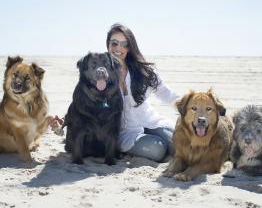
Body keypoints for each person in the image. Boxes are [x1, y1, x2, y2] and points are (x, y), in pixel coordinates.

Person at [50, 23, 179, 162]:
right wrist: (64, 121)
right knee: (158, 150)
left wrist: (190, 107)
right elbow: (83, 104)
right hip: (126, 133)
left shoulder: (144, 71)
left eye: (124, 44)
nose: (119, 48)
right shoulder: (100, 73)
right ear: (108, 44)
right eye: (114, 43)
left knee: (179, 145)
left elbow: (167, 94)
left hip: (151, 122)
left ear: (130, 47)